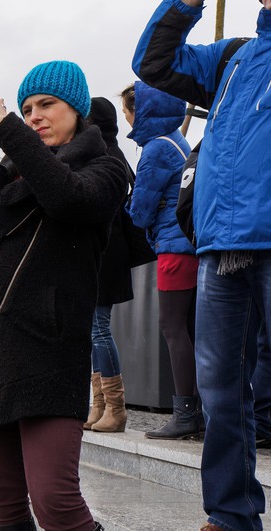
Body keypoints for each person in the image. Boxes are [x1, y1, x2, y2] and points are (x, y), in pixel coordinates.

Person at [0, 60, 126, 531]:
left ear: (76, 107)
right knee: (2, 505)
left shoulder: (106, 166)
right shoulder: (8, 173)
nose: (34, 115)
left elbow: (67, 198)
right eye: (26, 108)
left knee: (56, 502)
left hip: (45, 350)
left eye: (46, 104)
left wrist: (6, 124)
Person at [133, 1, 271, 528]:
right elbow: (154, 63)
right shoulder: (233, 55)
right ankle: (231, 515)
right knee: (220, 391)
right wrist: (186, 4)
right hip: (221, 246)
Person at [121, 81, 198, 440]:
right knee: (192, 330)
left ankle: (185, 413)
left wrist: (129, 206)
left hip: (172, 249)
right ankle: (201, 409)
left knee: (172, 327)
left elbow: (139, 213)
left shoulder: (154, 150)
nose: (127, 121)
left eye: (128, 112)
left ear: (142, 111)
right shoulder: (176, 140)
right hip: (190, 246)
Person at [83, 97, 136, 433]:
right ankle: (100, 404)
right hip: (102, 255)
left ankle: (115, 408)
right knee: (94, 330)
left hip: (106, 256)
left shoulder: (107, 156)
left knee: (100, 329)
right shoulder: (108, 153)